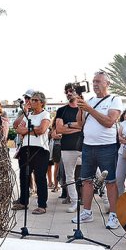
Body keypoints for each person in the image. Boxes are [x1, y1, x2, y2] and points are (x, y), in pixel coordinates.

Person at [72, 71, 124, 228]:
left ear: (107, 83)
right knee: (86, 180)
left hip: (106, 147)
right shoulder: (89, 100)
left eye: (99, 81)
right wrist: (82, 108)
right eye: (94, 81)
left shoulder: (115, 100)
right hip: (88, 146)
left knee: (110, 181)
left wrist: (89, 108)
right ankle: (87, 212)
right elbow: (80, 123)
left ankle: (114, 215)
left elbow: (109, 122)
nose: (95, 84)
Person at [11, 91, 52, 214]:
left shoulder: (45, 114)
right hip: (26, 148)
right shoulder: (28, 115)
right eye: (31, 100)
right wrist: (26, 116)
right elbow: (17, 128)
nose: (31, 102)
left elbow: (42, 129)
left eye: (35, 100)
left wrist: (27, 130)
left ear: (42, 102)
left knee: (40, 177)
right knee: (24, 176)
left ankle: (42, 205)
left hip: (40, 149)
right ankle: (23, 202)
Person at [54, 83, 83, 212]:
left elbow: (86, 125)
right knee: (69, 176)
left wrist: (69, 125)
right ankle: (74, 202)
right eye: (66, 91)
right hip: (67, 147)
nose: (68, 93)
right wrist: (78, 127)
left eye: (71, 91)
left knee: (97, 173)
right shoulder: (62, 110)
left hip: (84, 146)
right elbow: (59, 129)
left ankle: (106, 200)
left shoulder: (84, 108)